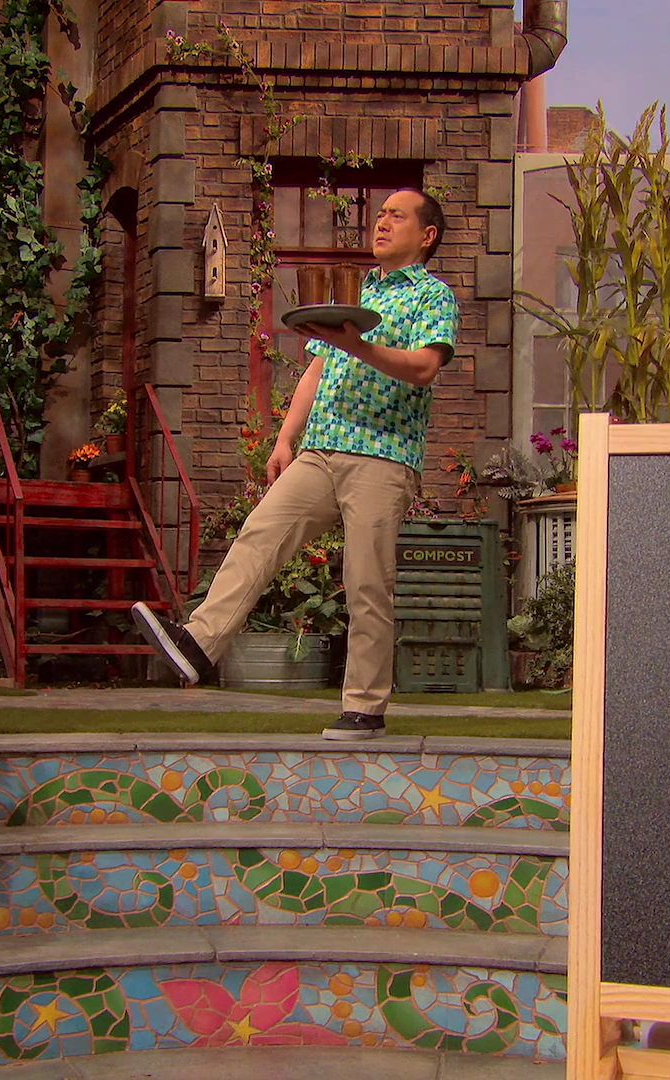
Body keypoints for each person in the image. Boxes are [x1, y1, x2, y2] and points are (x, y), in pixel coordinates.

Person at [133, 188, 459, 740]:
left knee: (366, 583)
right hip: (320, 449)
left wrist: (357, 347)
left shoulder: (433, 296)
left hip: (383, 457)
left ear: (426, 235)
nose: (381, 222)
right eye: (380, 214)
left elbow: (424, 368)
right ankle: (199, 644)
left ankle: (365, 708)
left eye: (396, 216)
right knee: (260, 533)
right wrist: (285, 438)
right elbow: (316, 370)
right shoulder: (359, 293)